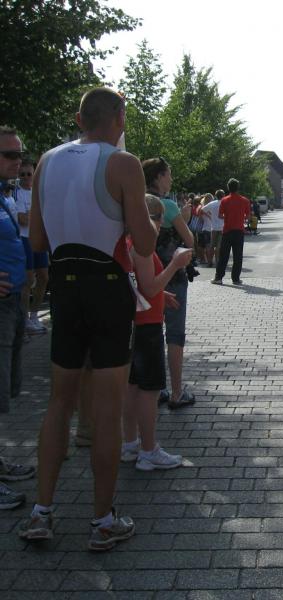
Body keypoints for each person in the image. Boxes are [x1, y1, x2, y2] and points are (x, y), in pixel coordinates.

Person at [19, 88, 158, 549]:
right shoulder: (123, 163)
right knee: (106, 408)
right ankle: (102, 520)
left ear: (79, 119)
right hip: (106, 288)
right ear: (119, 118)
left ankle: (41, 512)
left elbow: (37, 239)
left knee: (59, 402)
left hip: (65, 287)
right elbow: (144, 244)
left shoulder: (46, 161)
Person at [122, 195, 192, 471]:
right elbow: (149, 287)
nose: (161, 224)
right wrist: (175, 264)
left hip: (135, 321)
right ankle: (149, 450)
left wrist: (161, 295)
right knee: (149, 390)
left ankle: (130, 444)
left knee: (132, 387)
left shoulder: (128, 243)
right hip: (147, 325)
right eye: (159, 218)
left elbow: (138, 284)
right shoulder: (142, 247)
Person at [142, 157, 196, 410]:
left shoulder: (137, 203)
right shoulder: (169, 206)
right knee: (174, 334)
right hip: (172, 276)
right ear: (158, 177)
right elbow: (189, 240)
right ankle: (176, 392)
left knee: (149, 332)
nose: (171, 179)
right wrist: (184, 217)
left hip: (145, 274)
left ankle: (153, 389)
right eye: (168, 174)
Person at [0, 126, 35, 510]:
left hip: (11, 302)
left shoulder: (4, 195)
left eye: (19, 154)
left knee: (5, 388)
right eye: (10, 155)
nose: (18, 161)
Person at [14, 159, 49, 334]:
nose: (26, 177)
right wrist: (35, 216)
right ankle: (25, 319)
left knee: (43, 277)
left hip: (38, 237)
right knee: (28, 280)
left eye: (29, 174)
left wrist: (31, 215)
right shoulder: (17, 193)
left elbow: (45, 215)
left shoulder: (39, 192)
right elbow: (22, 219)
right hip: (23, 239)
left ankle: (34, 316)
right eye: (23, 174)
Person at [212, 178, 250, 285]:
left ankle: (218, 278)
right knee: (238, 256)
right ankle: (236, 279)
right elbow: (248, 216)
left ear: (228, 188)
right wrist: (240, 218)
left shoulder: (224, 200)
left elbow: (220, 215)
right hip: (239, 231)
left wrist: (228, 217)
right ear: (238, 188)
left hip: (227, 231)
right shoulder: (245, 200)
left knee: (223, 255)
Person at [202, 190, 225, 267]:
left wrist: (210, 215)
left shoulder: (212, 203)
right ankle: (217, 262)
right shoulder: (224, 203)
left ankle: (209, 262)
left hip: (213, 227)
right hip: (222, 227)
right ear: (223, 195)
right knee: (219, 246)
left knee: (211, 246)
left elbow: (202, 210)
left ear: (216, 196)